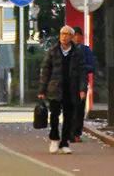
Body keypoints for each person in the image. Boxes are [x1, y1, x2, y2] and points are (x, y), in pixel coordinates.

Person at [38, 25, 87, 154]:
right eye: (62, 34)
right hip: (54, 88)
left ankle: (65, 143)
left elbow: (83, 72)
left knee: (69, 117)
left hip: (71, 89)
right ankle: (54, 139)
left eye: (67, 34)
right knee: (54, 115)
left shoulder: (77, 53)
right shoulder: (52, 51)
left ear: (71, 37)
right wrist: (42, 90)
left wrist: (82, 89)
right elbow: (45, 72)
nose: (64, 37)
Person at [71, 26, 96, 142]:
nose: (76, 37)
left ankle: (77, 133)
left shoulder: (85, 50)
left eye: (78, 35)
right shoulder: (66, 50)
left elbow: (92, 67)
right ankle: (69, 132)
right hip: (68, 83)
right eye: (74, 35)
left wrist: (81, 68)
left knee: (79, 109)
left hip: (81, 83)